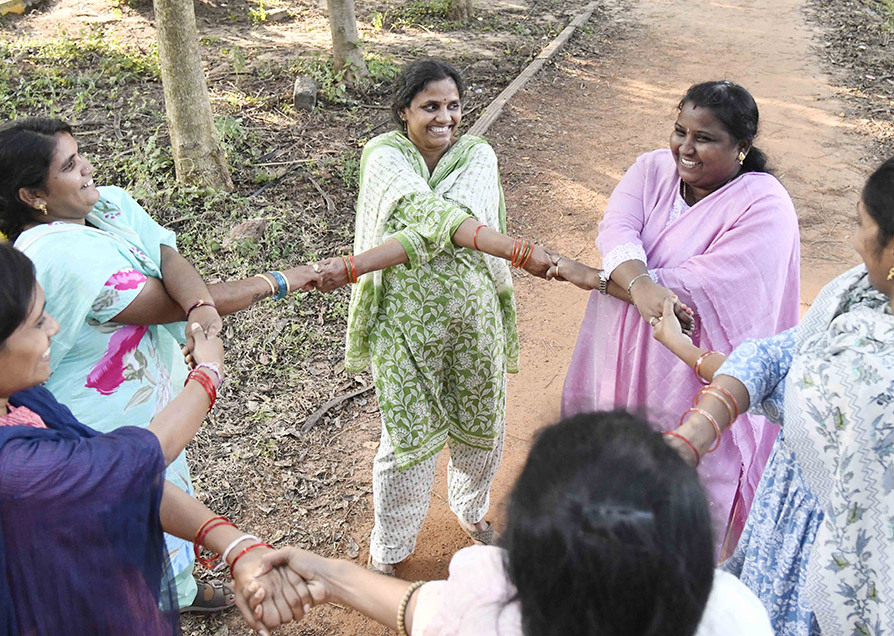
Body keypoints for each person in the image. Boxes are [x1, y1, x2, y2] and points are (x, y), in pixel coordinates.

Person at [0, 236, 310, 635]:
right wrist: (208, 372)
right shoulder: (11, 469)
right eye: (37, 323)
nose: (55, 328)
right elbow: (144, 457)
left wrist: (235, 545)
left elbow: (117, 473)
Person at [650, 149, 894, 634]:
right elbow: (779, 357)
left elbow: (789, 385)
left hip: (823, 567)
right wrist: (695, 433)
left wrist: (685, 355)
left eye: (862, 224)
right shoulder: (870, 299)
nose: (855, 240)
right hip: (791, 529)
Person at [0, 117, 319, 610]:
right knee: (127, 512)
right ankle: (145, 607)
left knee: (159, 494)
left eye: (80, 154)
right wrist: (280, 280)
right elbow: (162, 303)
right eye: (70, 166)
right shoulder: (57, 254)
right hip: (97, 421)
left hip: (147, 406)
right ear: (33, 196)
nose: (87, 168)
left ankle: (178, 592)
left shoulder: (106, 204)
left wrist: (199, 305)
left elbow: (167, 257)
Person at [309, 59, 564, 574]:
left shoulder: (478, 155)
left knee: (481, 429)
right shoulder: (383, 155)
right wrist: (520, 250)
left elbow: (447, 221)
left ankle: (470, 512)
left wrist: (353, 266)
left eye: (453, 106)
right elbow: (430, 219)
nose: (443, 117)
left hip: (473, 321)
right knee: (405, 443)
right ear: (404, 111)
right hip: (401, 326)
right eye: (430, 106)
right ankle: (390, 551)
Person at [240, 411, 774, 636]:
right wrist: (328, 575)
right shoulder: (737, 614)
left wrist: (324, 574)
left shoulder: (488, 614)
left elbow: (427, 612)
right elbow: (425, 611)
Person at [557, 80, 800, 555]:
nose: (685, 148)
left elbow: (708, 285)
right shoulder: (652, 170)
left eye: (704, 138)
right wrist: (642, 286)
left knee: (688, 486)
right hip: (624, 344)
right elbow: (617, 229)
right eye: (680, 131)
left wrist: (601, 279)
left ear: (742, 148)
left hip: (696, 369)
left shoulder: (765, 204)